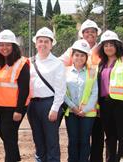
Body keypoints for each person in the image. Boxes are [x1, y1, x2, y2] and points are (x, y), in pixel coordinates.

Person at [58, 19, 105, 162]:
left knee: (93, 139)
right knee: (74, 140)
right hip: (73, 109)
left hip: (93, 107)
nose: (90, 34)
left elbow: (95, 90)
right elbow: (59, 64)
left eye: (93, 31)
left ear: (97, 34)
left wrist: (90, 107)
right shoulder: (71, 54)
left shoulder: (102, 49)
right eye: (86, 31)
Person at [96, 31, 123, 162]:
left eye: (111, 45)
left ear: (117, 46)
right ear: (102, 48)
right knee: (109, 135)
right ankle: (110, 159)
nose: (108, 48)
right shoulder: (101, 63)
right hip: (105, 103)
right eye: (105, 45)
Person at [0, 29, 30, 162]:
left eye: (8, 45)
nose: (4, 48)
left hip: (13, 108)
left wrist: (19, 110)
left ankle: (11, 159)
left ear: (14, 46)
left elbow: (24, 89)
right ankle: (15, 158)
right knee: (5, 135)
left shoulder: (22, 63)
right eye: (1, 45)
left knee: (8, 135)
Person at [28, 27, 66, 162]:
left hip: (49, 105)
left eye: (46, 41)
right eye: (40, 41)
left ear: (51, 44)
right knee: (38, 139)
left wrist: (55, 108)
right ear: (36, 43)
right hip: (32, 105)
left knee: (51, 141)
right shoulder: (30, 62)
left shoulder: (57, 63)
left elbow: (60, 89)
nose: (43, 44)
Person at [64, 40, 99, 162]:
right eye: (76, 55)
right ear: (72, 56)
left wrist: (85, 109)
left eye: (82, 55)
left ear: (86, 57)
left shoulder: (93, 72)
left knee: (84, 140)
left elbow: (95, 93)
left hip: (88, 113)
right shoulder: (65, 71)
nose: (79, 58)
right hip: (71, 112)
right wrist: (73, 107)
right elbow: (63, 92)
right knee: (73, 140)